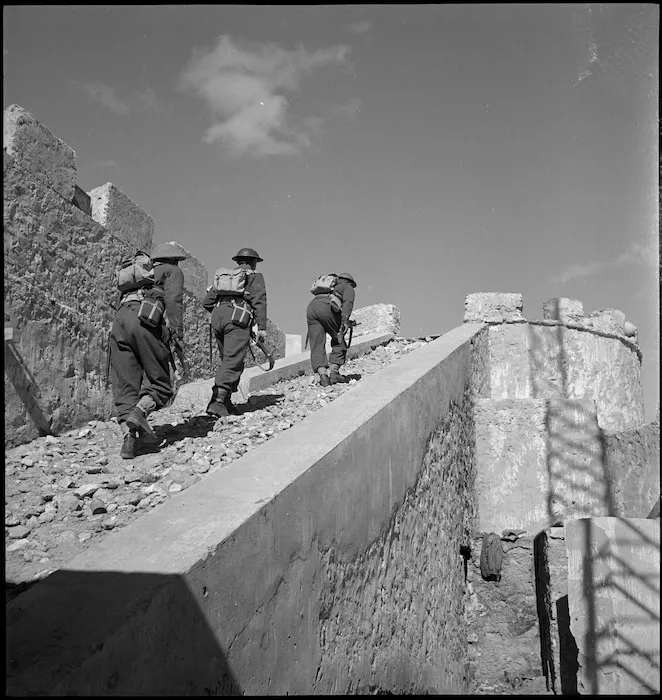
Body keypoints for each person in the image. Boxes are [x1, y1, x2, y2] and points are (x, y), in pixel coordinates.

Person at [109, 242, 186, 459]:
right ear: (174, 260)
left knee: (125, 387)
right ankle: (139, 413)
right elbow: (173, 300)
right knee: (161, 386)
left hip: (120, 321)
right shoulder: (173, 271)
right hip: (145, 320)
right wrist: (177, 332)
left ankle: (129, 442)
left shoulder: (137, 276)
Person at [202, 247, 267, 418]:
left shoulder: (225, 278)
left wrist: (223, 312)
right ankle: (218, 401)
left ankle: (226, 401)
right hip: (238, 317)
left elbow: (206, 302)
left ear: (238, 262)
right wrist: (261, 327)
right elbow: (259, 301)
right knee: (233, 360)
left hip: (218, 317)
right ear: (254, 262)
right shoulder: (255, 276)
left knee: (228, 359)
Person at [306, 272, 356, 386]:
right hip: (327, 306)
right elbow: (348, 302)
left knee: (317, 343)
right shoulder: (346, 287)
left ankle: (323, 375)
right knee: (339, 339)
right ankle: (334, 373)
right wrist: (345, 320)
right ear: (349, 281)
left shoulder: (330, 288)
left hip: (312, 307)